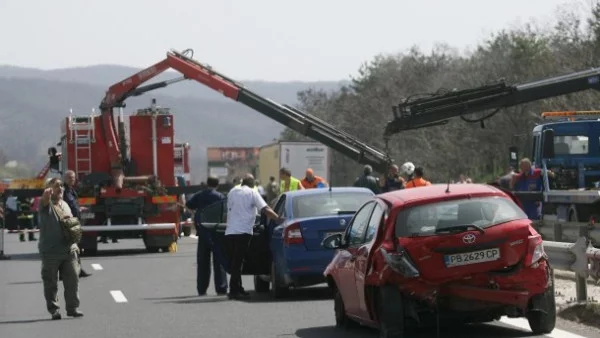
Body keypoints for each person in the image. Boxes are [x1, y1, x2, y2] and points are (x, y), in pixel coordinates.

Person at [225, 173, 283, 299]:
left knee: (235, 261)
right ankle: (234, 291)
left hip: (230, 231)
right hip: (243, 231)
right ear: (252, 184)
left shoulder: (232, 191)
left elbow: (230, 209)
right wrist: (278, 219)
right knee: (238, 262)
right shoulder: (252, 193)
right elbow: (265, 209)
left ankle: (238, 288)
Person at [39, 177, 83, 320]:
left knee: (73, 280)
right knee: (51, 283)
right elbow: (45, 200)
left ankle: (73, 308)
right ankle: (54, 310)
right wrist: (47, 194)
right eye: (57, 186)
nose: (61, 188)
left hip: (69, 250)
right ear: (50, 189)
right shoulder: (46, 205)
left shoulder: (65, 204)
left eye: (61, 186)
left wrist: (76, 245)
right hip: (51, 252)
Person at [186, 176, 229, 296]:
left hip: (203, 232)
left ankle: (202, 289)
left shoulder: (200, 195)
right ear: (217, 185)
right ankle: (221, 287)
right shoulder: (220, 196)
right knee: (219, 261)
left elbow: (189, 205)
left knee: (203, 262)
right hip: (217, 232)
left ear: (207, 184)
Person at [62, 170, 91, 278]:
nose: (72, 179)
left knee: (76, 247)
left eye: (73, 177)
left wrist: (79, 208)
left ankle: (78, 269)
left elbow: (73, 205)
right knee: (67, 248)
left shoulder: (71, 190)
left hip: (74, 221)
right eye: (69, 177)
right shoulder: (63, 191)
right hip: (68, 222)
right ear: (64, 178)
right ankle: (63, 272)